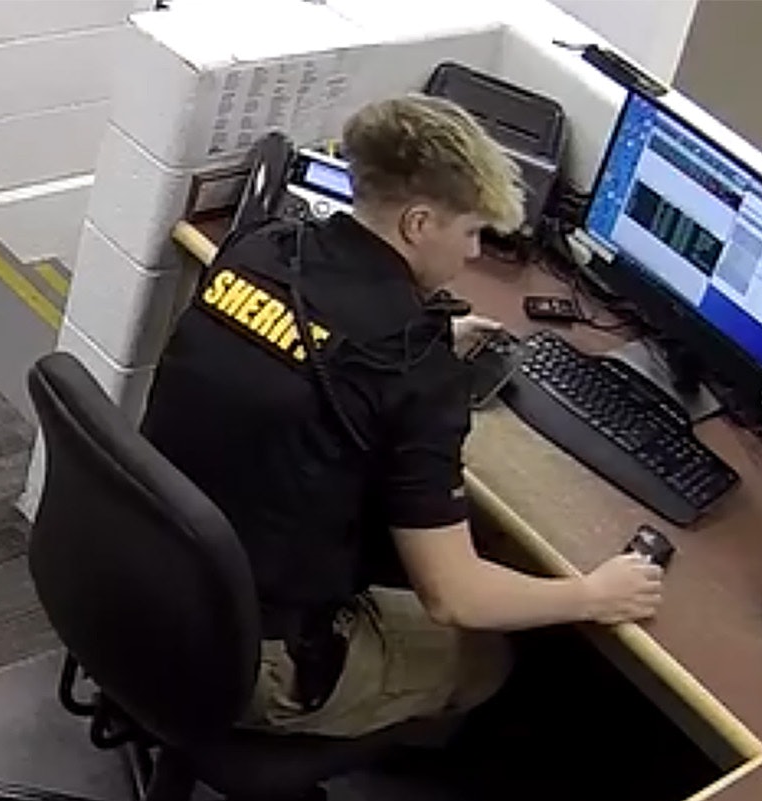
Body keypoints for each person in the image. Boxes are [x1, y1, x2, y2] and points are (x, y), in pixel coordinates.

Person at [140, 95, 664, 739]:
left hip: (137, 578)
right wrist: (593, 595)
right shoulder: (412, 370)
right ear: (419, 223)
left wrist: (424, 341)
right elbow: (457, 597)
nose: (474, 253)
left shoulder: (262, 247)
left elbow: (313, 354)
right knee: (488, 653)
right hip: (251, 658)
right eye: (472, 231)